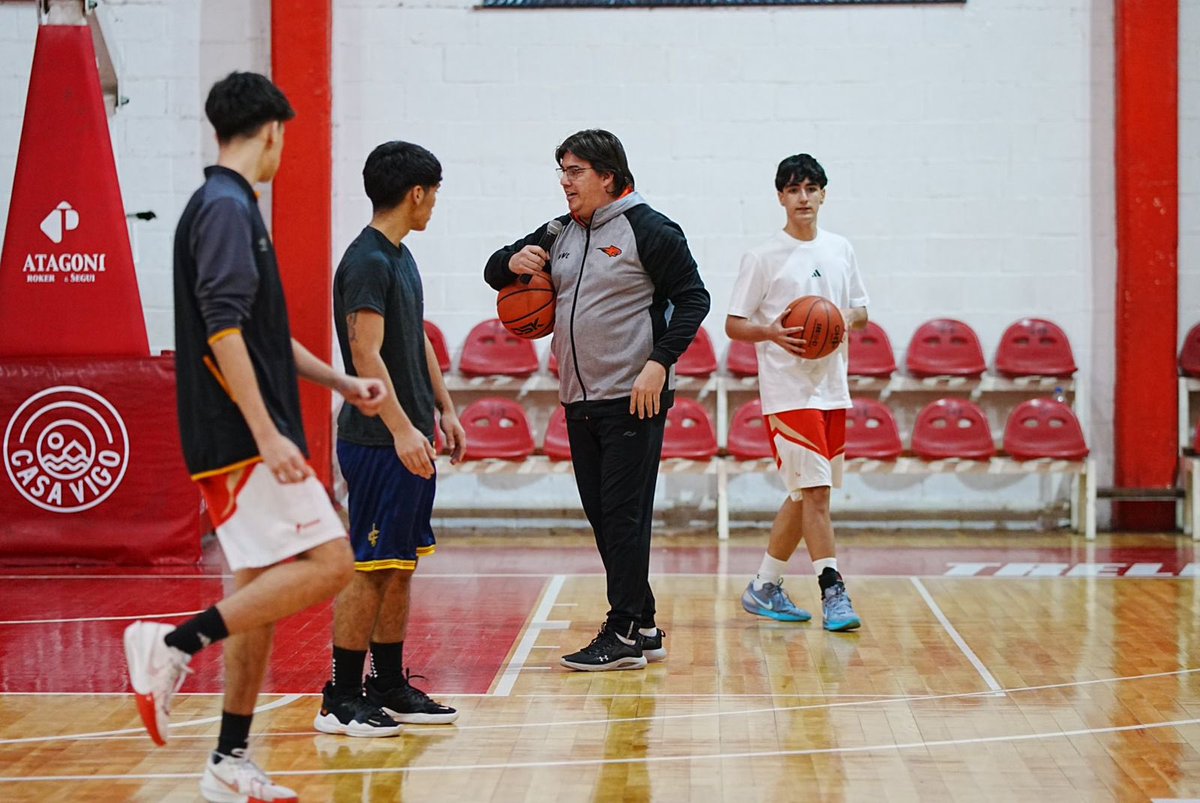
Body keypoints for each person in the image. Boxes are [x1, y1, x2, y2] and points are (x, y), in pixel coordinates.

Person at [123, 71, 387, 803]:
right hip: (242, 438)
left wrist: (339, 383)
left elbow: (264, 335)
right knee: (334, 561)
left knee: (260, 593)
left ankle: (228, 759)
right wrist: (270, 432)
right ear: (272, 131)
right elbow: (224, 329)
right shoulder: (226, 208)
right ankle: (173, 644)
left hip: (239, 434)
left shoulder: (228, 205)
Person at [484, 129, 710, 671]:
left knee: (623, 516)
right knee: (605, 517)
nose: (565, 182)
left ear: (608, 176)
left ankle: (625, 630)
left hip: (634, 396)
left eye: (576, 171)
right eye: (561, 171)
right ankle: (645, 622)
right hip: (578, 398)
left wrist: (659, 363)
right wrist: (515, 262)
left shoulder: (649, 228)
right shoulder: (560, 230)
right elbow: (494, 269)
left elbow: (694, 298)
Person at [313, 140, 464, 735]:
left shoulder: (400, 255)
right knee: (370, 568)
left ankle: (390, 684)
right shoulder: (368, 261)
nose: (435, 206)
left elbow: (417, 340)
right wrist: (402, 429)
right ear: (417, 192)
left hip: (410, 437)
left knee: (399, 565)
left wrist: (444, 410)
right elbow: (364, 352)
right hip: (378, 443)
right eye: (435, 195)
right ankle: (341, 696)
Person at [726, 153, 868, 633]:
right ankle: (833, 590)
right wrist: (770, 333)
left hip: (832, 387)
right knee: (817, 494)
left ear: (823, 194)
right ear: (780, 197)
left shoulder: (841, 248)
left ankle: (765, 585)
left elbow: (861, 312)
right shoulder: (763, 256)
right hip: (788, 393)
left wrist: (838, 319)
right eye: (793, 190)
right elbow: (733, 324)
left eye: (810, 188)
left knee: (803, 494)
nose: (802, 198)